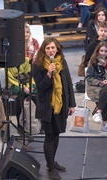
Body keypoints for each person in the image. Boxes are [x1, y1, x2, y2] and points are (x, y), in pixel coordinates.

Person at [32, 37, 76, 179]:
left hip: (61, 104)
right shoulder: (37, 65)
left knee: (57, 134)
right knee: (49, 136)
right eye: (48, 48)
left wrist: (72, 104)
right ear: (43, 50)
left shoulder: (61, 62)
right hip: (47, 106)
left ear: (57, 48)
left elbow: (68, 83)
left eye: (53, 48)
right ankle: (50, 168)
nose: (51, 50)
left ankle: (52, 162)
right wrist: (49, 74)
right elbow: (40, 87)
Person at [85, 41, 107, 133]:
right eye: (101, 51)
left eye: (105, 51)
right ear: (98, 51)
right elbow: (88, 77)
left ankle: (98, 112)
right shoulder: (93, 60)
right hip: (95, 86)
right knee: (106, 94)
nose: (103, 53)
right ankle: (104, 124)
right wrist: (98, 82)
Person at [8, 57, 37, 133]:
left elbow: (29, 76)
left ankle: (37, 124)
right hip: (13, 85)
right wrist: (24, 89)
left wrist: (28, 87)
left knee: (35, 97)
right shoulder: (8, 61)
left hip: (27, 84)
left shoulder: (27, 60)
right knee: (19, 99)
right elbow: (11, 79)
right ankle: (20, 125)